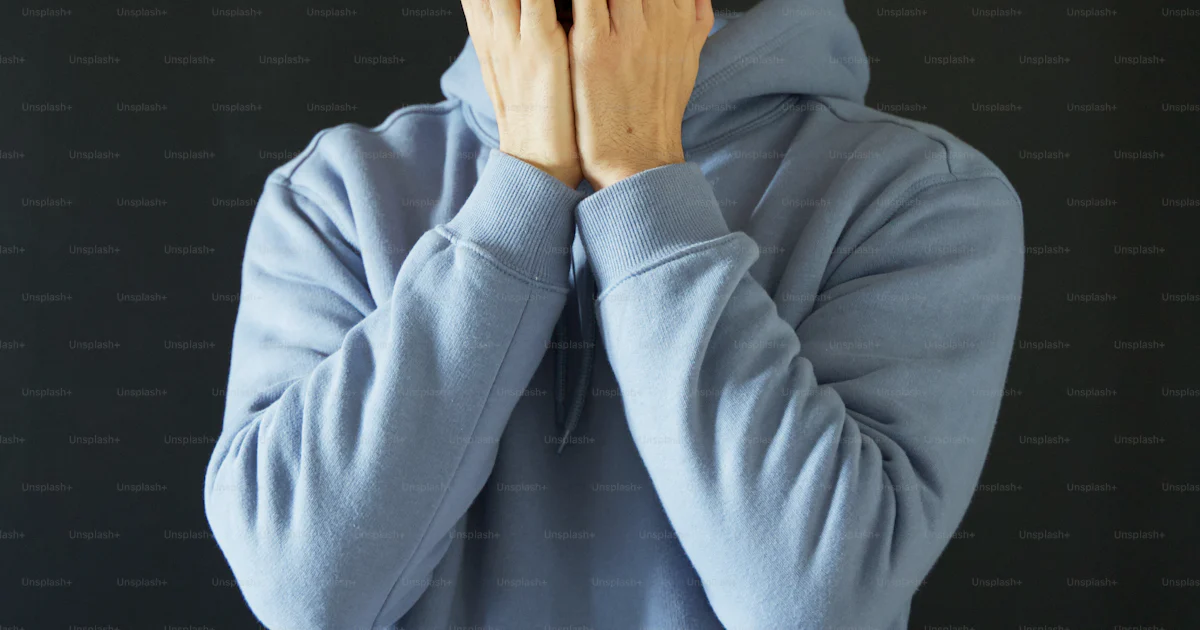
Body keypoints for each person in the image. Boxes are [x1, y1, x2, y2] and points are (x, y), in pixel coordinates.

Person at [203, 0, 1024, 627]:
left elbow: (810, 603)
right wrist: (524, 185)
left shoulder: (918, 194)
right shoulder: (337, 195)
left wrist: (640, 173)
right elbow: (305, 591)